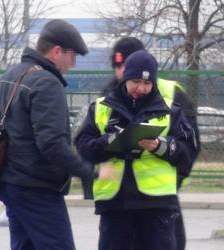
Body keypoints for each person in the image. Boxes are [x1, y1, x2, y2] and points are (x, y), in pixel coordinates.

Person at [0, 19, 115, 250]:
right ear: (57, 51)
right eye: (72, 56)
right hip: (36, 187)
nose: (73, 63)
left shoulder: (8, 77)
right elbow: (52, 145)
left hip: (10, 184)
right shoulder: (46, 83)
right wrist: (91, 171)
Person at [75, 49, 199, 250]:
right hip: (115, 204)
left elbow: (188, 152)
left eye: (147, 83)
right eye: (136, 82)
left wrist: (161, 146)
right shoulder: (100, 108)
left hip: (157, 206)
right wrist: (110, 142)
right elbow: (83, 146)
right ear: (125, 78)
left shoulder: (171, 111)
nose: (141, 88)